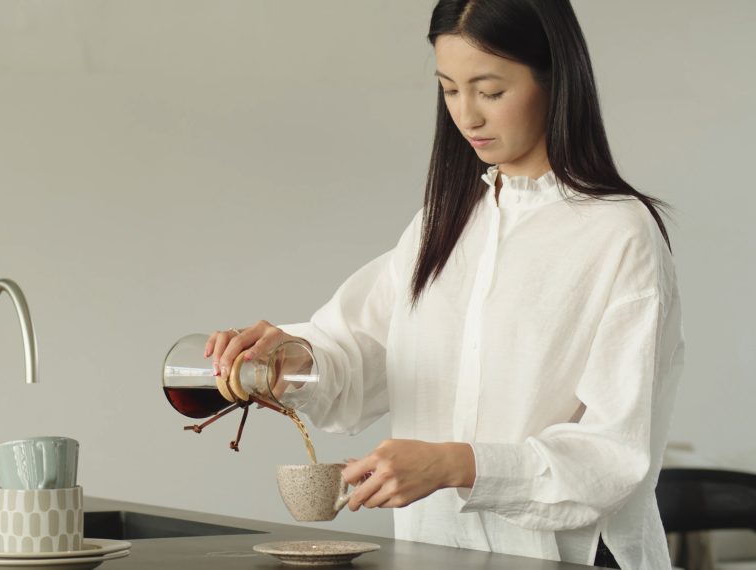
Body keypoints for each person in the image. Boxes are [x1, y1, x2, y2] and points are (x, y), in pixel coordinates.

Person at [204, 1, 684, 568]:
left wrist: (457, 464)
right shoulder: (446, 220)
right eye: (449, 90)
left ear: (555, 79)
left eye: (490, 91)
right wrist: (288, 356)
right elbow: (361, 350)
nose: (467, 117)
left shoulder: (618, 233)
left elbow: (615, 455)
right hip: (437, 552)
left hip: (569, 557)